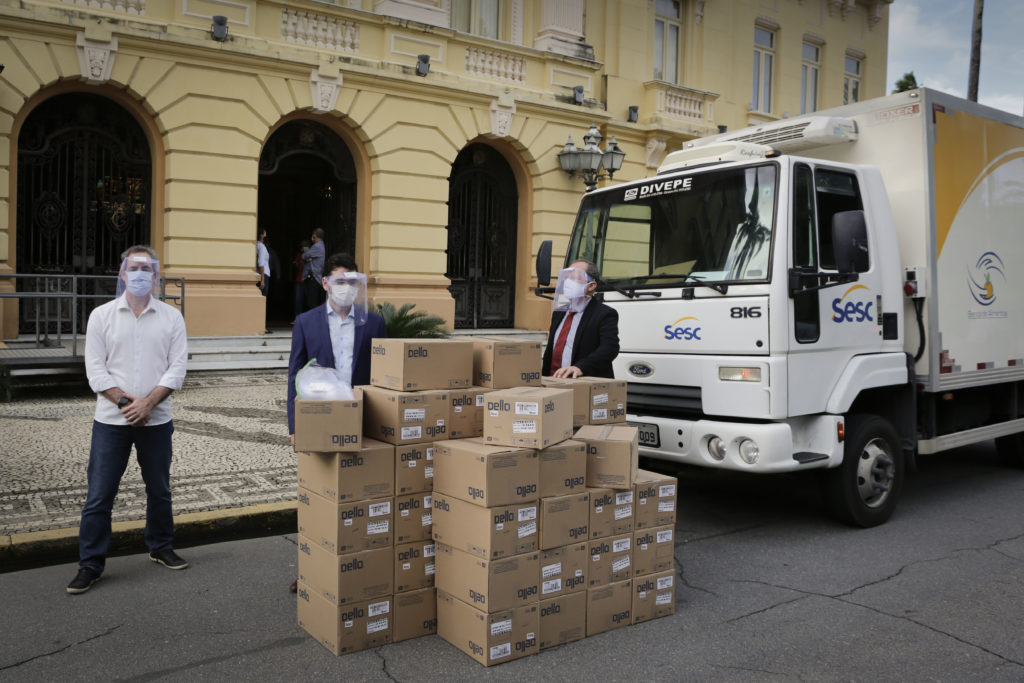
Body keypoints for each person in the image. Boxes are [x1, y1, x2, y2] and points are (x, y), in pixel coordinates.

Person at [67, 245, 189, 594]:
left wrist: (149, 403)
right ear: (122, 274)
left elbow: (177, 367)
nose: (139, 274)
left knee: (160, 489)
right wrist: (126, 403)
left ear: (155, 276)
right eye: (133, 268)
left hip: (157, 419)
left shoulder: (171, 317)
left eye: (146, 268)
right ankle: (90, 564)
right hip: (110, 421)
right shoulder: (101, 316)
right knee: (99, 495)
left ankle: (161, 547)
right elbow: (95, 369)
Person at [286, 252, 387, 593]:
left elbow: (386, 376)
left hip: (364, 421)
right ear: (325, 283)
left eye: (351, 281)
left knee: (361, 500)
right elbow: (294, 376)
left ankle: (357, 569)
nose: (345, 287)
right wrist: (295, 426)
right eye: (338, 280)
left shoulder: (372, 323)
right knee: (318, 500)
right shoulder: (306, 322)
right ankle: (311, 572)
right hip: (321, 423)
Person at [541, 259, 619, 379]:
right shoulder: (559, 311)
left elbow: (610, 348)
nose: (567, 282)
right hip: (552, 382)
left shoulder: (605, 314)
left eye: (574, 277)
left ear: (591, 285)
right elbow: (552, 349)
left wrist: (580, 367)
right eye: (566, 277)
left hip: (583, 384)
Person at [303, 229, 326, 312]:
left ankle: (315, 321)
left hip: (314, 277)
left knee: (311, 302)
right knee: (313, 300)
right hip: (316, 277)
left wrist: (307, 256)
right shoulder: (321, 245)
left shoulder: (317, 246)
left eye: (313, 236)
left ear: (315, 236)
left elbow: (305, 255)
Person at [292, 240, 310, 324]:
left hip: (308, 280)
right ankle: (298, 318)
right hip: (299, 279)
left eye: (305, 245)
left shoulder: (311, 254)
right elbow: (298, 265)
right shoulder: (300, 254)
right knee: (298, 300)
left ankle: (308, 319)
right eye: (302, 245)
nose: (304, 247)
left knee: (309, 300)